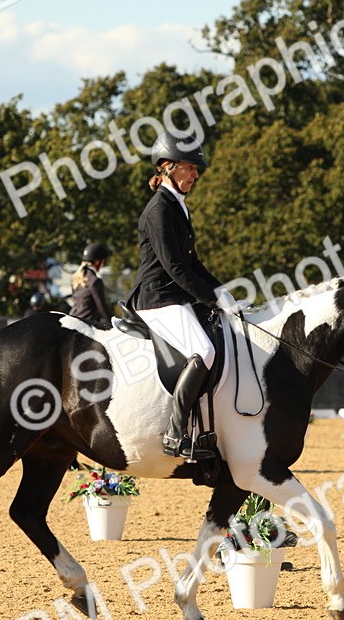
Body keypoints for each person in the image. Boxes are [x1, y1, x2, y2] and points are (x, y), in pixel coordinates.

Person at [128, 131, 228, 460]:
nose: (196, 174)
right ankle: (175, 433)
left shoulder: (177, 205)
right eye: (190, 168)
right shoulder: (160, 210)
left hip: (176, 297)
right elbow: (175, 268)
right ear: (168, 167)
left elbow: (193, 261)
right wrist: (212, 299)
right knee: (204, 351)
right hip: (159, 298)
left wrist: (221, 291)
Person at [68, 243, 112, 325]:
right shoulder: (95, 281)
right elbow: (102, 307)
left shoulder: (77, 278)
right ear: (98, 261)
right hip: (86, 325)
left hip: (73, 320)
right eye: (103, 262)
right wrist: (114, 323)